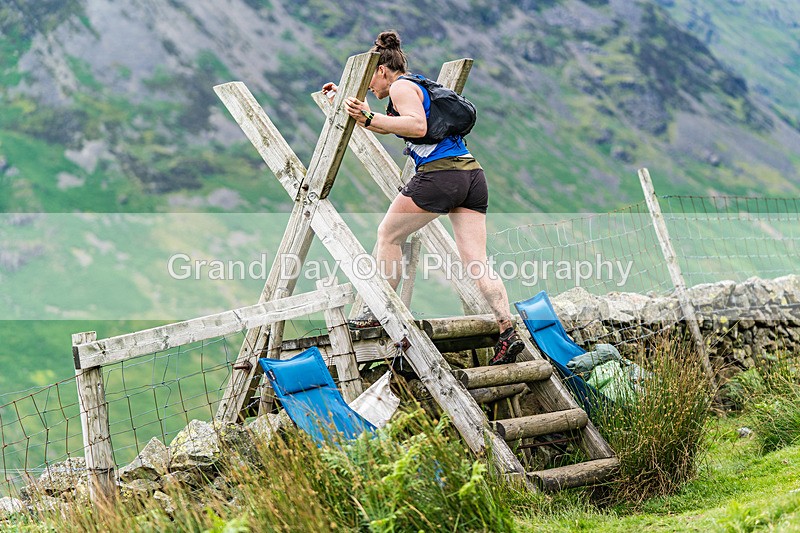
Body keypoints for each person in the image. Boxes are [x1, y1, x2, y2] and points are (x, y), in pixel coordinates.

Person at [322, 30, 524, 366]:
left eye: (370, 80)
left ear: (383, 70)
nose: (370, 88)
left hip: (440, 175)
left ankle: (380, 312)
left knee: (388, 235)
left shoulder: (401, 87)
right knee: (476, 260)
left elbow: (414, 126)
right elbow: (389, 123)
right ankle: (507, 330)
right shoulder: (419, 85)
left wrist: (370, 116)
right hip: (471, 175)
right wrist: (343, 102)